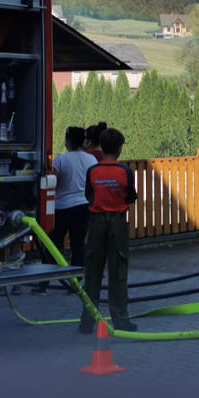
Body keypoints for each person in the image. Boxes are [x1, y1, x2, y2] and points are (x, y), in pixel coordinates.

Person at [78, 127, 138, 333]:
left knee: (92, 272)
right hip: (117, 223)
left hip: (96, 222)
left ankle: (87, 321)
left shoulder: (93, 171)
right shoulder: (125, 172)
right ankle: (121, 320)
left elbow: (88, 195)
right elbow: (130, 197)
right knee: (118, 271)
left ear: (102, 148)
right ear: (119, 149)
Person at [47, 126, 97, 289]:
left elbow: (51, 181)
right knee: (78, 245)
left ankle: (44, 281)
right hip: (83, 206)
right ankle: (77, 283)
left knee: (53, 244)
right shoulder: (91, 160)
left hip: (61, 207)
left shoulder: (61, 160)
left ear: (68, 141)